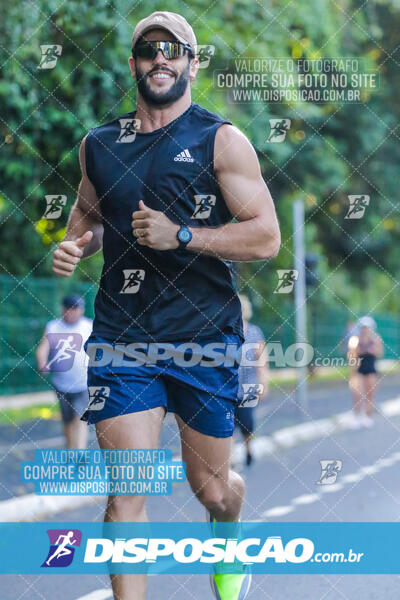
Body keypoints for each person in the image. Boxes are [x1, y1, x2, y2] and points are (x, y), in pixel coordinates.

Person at [51, 10, 280, 600]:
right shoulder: (99, 145)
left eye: (174, 50)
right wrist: (76, 245)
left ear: (192, 64)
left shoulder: (219, 139)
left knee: (211, 489)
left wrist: (183, 235)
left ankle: (227, 535)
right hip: (124, 340)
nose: (161, 58)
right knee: (126, 491)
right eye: (150, 49)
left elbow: (265, 237)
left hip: (204, 336)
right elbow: (90, 218)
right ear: (134, 64)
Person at [36, 294, 92, 448]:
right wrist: (42, 362)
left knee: (80, 419)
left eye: (78, 309)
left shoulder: (89, 325)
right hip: (61, 384)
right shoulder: (53, 326)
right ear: (64, 309)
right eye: (71, 309)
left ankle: (80, 454)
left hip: (83, 383)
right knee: (67, 423)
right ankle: (70, 452)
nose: (75, 312)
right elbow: (43, 348)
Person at [234, 295, 268, 466]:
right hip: (229, 386)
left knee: (247, 422)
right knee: (227, 424)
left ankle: (248, 449)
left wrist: (263, 383)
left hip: (248, 385)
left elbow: (261, 359)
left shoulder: (254, 332)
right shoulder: (225, 331)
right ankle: (229, 458)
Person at [348, 316, 383, 429]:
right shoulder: (355, 340)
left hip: (371, 369)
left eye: (367, 328)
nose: (365, 330)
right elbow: (351, 356)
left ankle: (367, 416)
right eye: (363, 328)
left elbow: (379, 353)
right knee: (357, 394)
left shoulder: (376, 339)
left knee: (370, 394)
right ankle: (357, 416)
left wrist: (371, 350)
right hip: (359, 369)